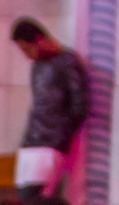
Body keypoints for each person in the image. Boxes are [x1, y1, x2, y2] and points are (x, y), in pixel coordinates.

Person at [10, 14, 92, 192]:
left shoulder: (67, 62)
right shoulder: (37, 66)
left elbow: (79, 105)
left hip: (50, 144)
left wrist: (61, 134)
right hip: (30, 142)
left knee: (35, 197)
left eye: (27, 49)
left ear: (40, 40)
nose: (27, 56)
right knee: (23, 196)